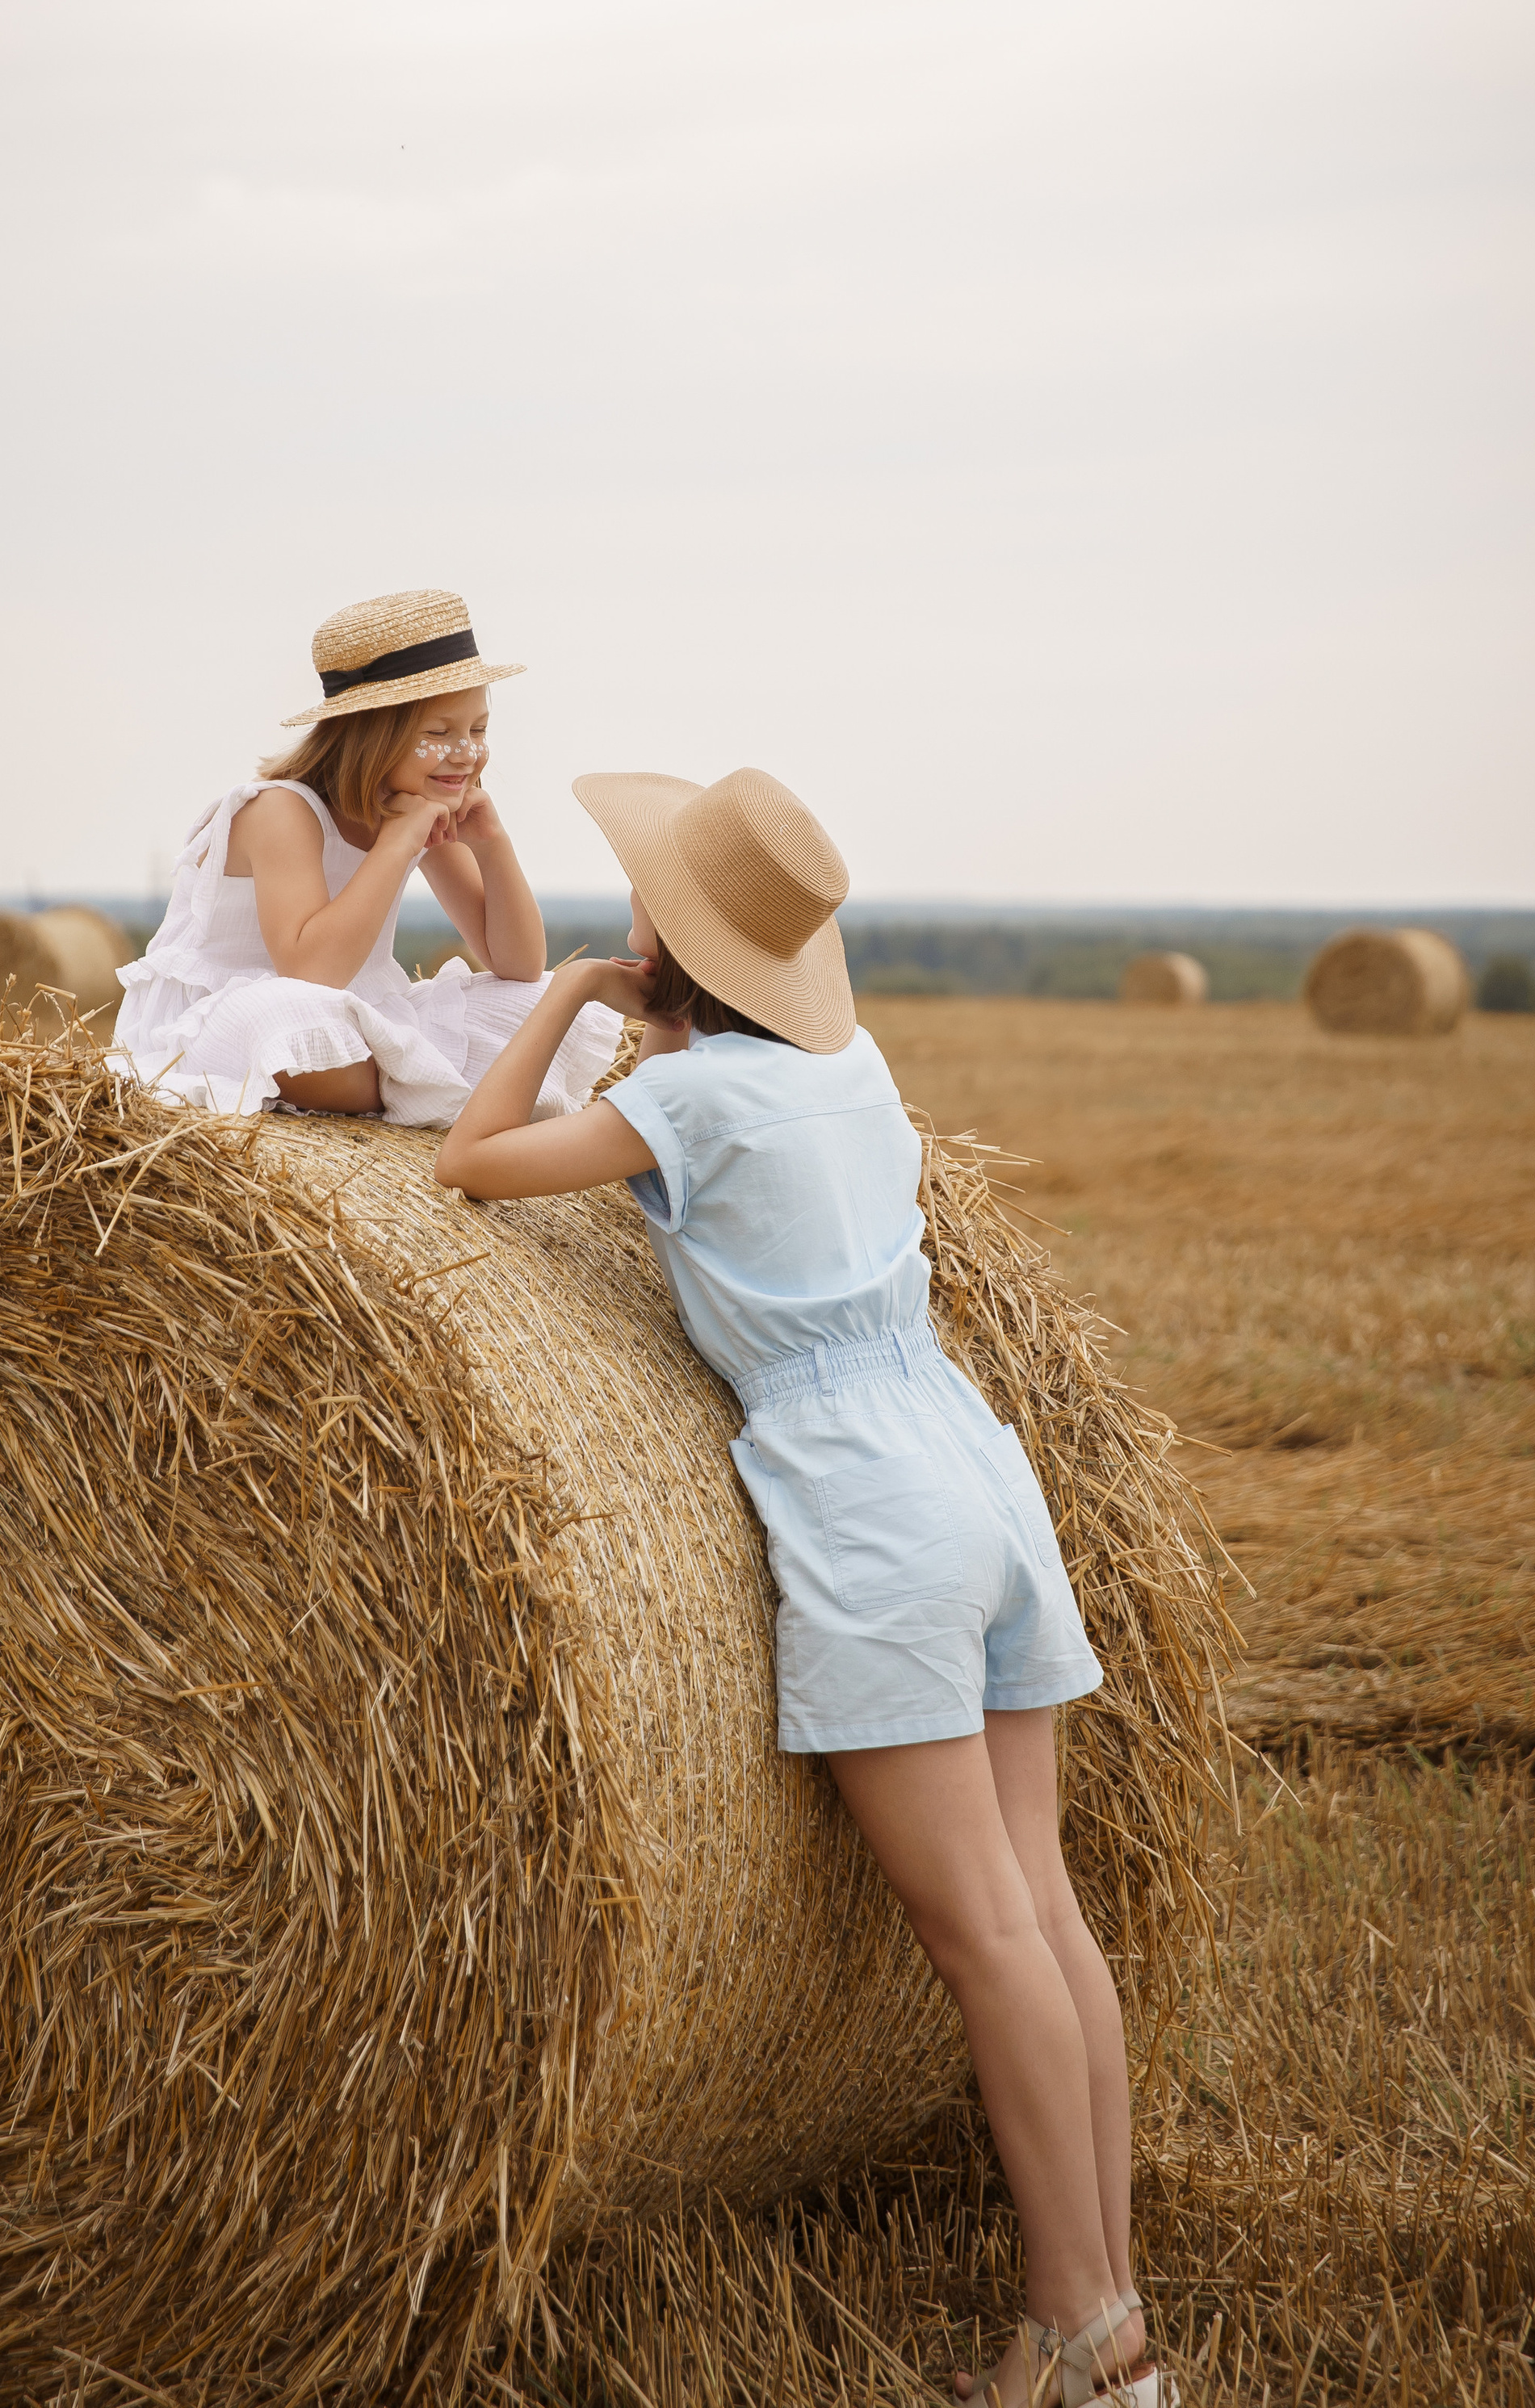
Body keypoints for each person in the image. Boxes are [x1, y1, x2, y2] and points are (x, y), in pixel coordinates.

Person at [434, 765, 1157, 2408]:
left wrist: (564, 993)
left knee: (978, 1936)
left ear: (664, 934)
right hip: (971, 1463)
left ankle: (1076, 2332)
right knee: (1039, 1910)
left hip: (859, 1497)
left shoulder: (684, 1105)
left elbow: (469, 1163)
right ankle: (1110, 2312)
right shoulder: (848, 1065)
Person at [111, 588, 621, 1128]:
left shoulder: (421, 807)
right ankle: (432, 1087)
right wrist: (397, 843)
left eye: (478, 729)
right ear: (372, 735)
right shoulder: (282, 811)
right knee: (286, 1017)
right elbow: (310, 973)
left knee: (545, 1002)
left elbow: (517, 965)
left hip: (360, 1021)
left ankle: (412, 1083)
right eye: (439, 732)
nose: (466, 752)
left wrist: (493, 846)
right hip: (230, 1018)